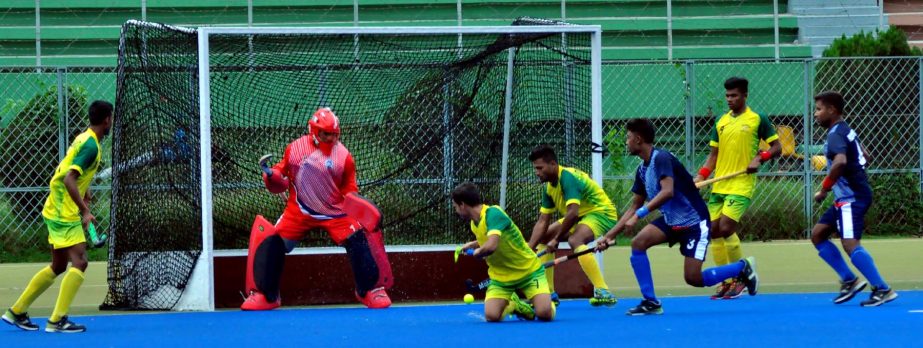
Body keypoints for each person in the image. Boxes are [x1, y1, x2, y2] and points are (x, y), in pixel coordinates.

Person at [597, 118, 758, 316]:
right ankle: (651, 302)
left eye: (628, 138)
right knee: (638, 243)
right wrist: (609, 236)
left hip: (694, 223)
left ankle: (742, 268)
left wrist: (640, 215)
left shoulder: (662, 158)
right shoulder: (641, 169)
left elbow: (667, 192)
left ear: (638, 139)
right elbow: (634, 206)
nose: (626, 142)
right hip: (671, 221)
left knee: (693, 278)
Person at [240, 107, 393, 310]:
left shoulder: (345, 156)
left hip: (336, 212)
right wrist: (273, 175)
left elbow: (350, 189)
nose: (330, 138)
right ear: (313, 131)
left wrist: (358, 206)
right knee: (273, 241)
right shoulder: (294, 149)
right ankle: (266, 296)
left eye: (334, 134)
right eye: (325, 134)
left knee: (358, 239)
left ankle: (370, 290)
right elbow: (281, 172)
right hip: (299, 210)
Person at [3, 100, 113, 333]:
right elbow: (69, 178)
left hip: (56, 205)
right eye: (111, 118)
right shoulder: (91, 145)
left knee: (59, 264)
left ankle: (17, 311)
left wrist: (86, 191)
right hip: (64, 210)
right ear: (107, 120)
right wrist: (84, 210)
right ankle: (57, 320)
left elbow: (69, 168)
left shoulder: (85, 138)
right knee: (80, 261)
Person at [693, 77, 781, 299]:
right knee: (713, 231)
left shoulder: (757, 119)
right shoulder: (721, 122)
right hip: (719, 184)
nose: (730, 99)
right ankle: (727, 280)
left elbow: (777, 147)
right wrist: (699, 177)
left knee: (725, 228)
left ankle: (742, 276)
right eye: (727, 96)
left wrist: (760, 159)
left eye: (734, 95)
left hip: (741, 184)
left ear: (744, 96)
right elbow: (713, 156)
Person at [810, 91, 897, 306]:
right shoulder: (845, 129)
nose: (815, 114)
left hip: (851, 197)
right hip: (848, 195)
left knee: (849, 243)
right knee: (818, 234)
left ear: (832, 110)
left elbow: (839, 162)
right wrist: (855, 171)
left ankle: (882, 288)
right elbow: (866, 156)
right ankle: (849, 280)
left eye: (819, 109)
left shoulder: (835, 135)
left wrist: (824, 190)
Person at [527, 145, 618, 306]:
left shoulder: (567, 177)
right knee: (545, 237)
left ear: (553, 164)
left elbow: (573, 213)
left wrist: (556, 240)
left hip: (600, 212)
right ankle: (549, 294)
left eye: (540, 168)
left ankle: (603, 290)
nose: (537, 172)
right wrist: (529, 251)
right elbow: (542, 221)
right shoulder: (549, 188)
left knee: (576, 240)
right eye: (535, 168)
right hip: (579, 216)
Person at [452, 183, 554, 322]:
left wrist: (477, 252)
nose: (456, 210)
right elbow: (488, 240)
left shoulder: (494, 213)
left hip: (528, 271)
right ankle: (514, 305)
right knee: (492, 316)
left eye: (455, 206)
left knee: (544, 314)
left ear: (462, 204)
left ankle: (546, 305)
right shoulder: (474, 223)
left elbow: (491, 246)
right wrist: (474, 244)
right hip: (501, 277)